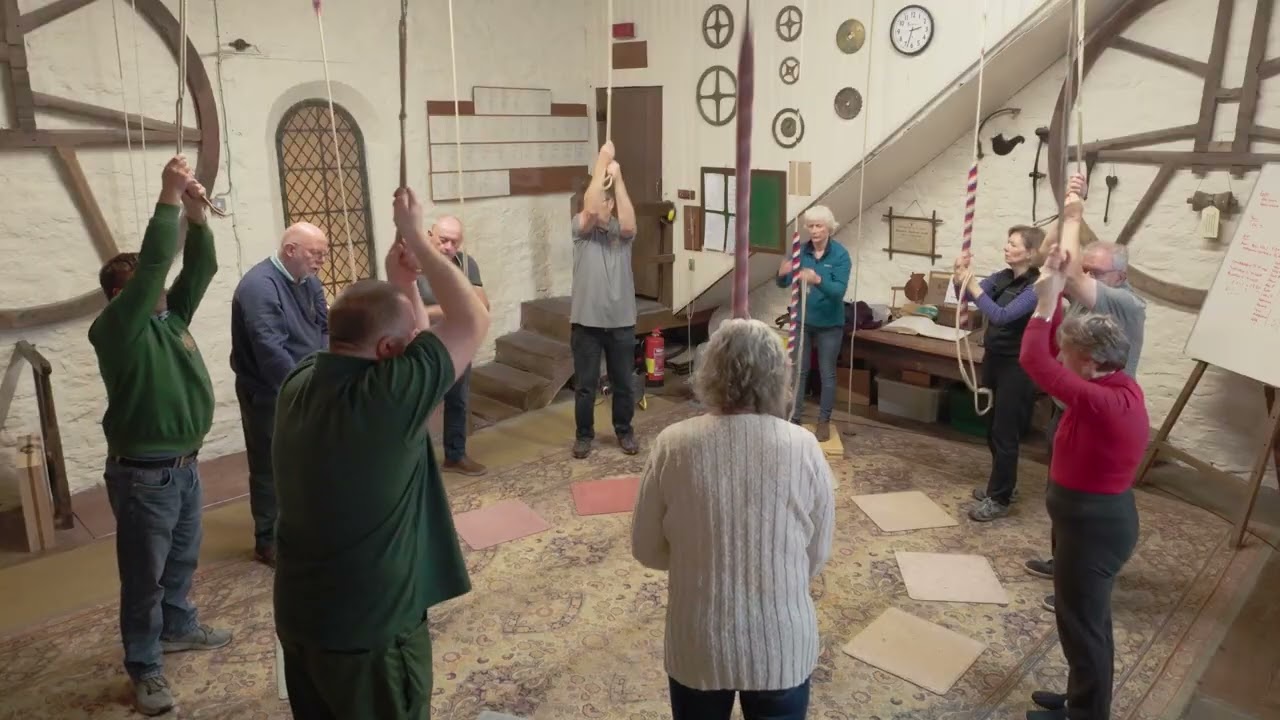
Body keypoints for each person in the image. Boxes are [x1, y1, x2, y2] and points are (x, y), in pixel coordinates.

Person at [272, 186, 489, 719]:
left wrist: (402, 283)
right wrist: (416, 232)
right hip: (369, 634)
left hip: (304, 623)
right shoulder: (384, 402)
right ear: (390, 354)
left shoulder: (299, 383)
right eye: (406, 344)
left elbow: (409, 338)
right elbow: (470, 321)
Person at [631, 318, 835, 720]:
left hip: (698, 641)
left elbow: (646, 549)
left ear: (709, 372)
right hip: (781, 644)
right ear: (779, 377)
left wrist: (700, 557)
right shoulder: (804, 447)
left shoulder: (673, 444)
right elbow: (817, 553)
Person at [88, 155, 232, 716]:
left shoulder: (168, 319)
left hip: (184, 467)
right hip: (143, 476)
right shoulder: (116, 331)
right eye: (147, 285)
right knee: (142, 578)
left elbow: (198, 272)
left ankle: (178, 627)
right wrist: (167, 197)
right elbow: (154, 269)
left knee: (179, 562)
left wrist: (197, 219)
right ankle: (145, 666)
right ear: (120, 296)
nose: (163, 288)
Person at [1019, 189, 1148, 720]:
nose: (1062, 363)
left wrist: (1048, 297)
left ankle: (1086, 714)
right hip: (1085, 519)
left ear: (1090, 362)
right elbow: (1050, 354)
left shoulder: (1102, 400)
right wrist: (1051, 288)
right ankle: (1078, 699)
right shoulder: (1105, 384)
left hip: (1095, 527)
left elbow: (1035, 359)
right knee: (1076, 620)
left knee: (1085, 624)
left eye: (1070, 357)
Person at [229, 222, 330, 567]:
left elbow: (325, 329)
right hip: (270, 392)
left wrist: (325, 375)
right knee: (270, 466)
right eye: (315, 254)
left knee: (307, 461)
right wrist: (301, 388)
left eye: (323, 254)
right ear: (291, 250)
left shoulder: (309, 282)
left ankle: (303, 526)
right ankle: (267, 540)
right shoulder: (260, 287)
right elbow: (269, 348)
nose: (321, 262)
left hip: (308, 384)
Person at [953, 224, 1046, 522]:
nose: (1006, 247)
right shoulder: (1002, 278)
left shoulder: (1036, 287)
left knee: (1006, 433)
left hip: (1018, 367)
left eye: (1013, 244)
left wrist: (974, 285)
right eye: (1007, 242)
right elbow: (964, 297)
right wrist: (960, 276)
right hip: (995, 359)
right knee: (993, 430)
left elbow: (1001, 316)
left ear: (1030, 253)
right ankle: (1004, 484)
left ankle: (1001, 498)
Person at [570, 140, 639, 459]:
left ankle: (624, 431)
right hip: (586, 323)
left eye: (606, 201)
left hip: (621, 322)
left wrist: (619, 177)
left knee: (624, 384)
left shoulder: (623, 236)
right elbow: (590, 208)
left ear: (612, 204)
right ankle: (584, 435)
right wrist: (602, 160)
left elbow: (629, 222)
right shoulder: (581, 230)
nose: (601, 206)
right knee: (585, 386)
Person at [415, 214, 489, 476]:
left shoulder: (466, 264)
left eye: (454, 243)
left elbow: (482, 306)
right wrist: (452, 309)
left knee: (458, 401)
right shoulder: (414, 265)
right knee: (419, 405)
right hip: (424, 346)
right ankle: (416, 463)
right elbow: (412, 312)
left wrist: (446, 311)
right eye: (443, 240)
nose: (448, 247)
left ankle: (455, 456)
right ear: (430, 236)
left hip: (458, 344)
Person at [774, 205, 852, 442]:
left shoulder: (840, 255)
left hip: (830, 324)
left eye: (819, 226)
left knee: (827, 374)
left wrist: (816, 279)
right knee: (799, 371)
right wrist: (781, 272)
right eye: (811, 226)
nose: (815, 231)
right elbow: (783, 283)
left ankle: (823, 421)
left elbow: (838, 292)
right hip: (802, 321)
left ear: (829, 228)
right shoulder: (800, 251)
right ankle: (794, 418)